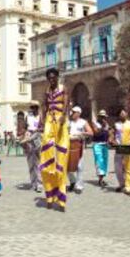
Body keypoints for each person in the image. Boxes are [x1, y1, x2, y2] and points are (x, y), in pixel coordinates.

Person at [39, 68, 70, 211]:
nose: (51, 79)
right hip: (49, 123)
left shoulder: (63, 88)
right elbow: (44, 106)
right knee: (46, 157)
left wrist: (63, 115)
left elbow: (66, 103)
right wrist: (42, 119)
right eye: (49, 78)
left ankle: (61, 199)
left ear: (57, 77)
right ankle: (50, 196)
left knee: (61, 162)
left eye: (53, 77)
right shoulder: (47, 90)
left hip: (60, 122)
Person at [68, 106, 93, 194]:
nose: (72, 113)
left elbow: (90, 132)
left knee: (79, 166)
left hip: (79, 145)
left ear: (78, 113)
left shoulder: (83, 122)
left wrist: (82, 133)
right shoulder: (68, 122)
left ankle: (79, 186)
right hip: (68, 145)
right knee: (68, 167)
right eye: (72, 112)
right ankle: (72, 181)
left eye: (74, 112)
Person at [111, 109, 130, 196]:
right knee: (118, 168)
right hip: (119, 147)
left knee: (128, 168)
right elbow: (112, 134)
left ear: (127, 114)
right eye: (121, 113)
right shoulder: (116, 124)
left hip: (128, 147)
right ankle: (122, 184)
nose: (122, 114)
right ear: (119, 115)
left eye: (124, 113)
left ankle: (128, 188)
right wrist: (112, 140)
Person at [19, 103, 42, 192]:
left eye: (35, 107)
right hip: (29, 137)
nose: (33, 109)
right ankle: (33, 183)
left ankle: (39, 183)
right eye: (32, 107)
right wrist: (23, 135)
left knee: (38, 162)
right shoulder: (28, 117)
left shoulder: (40, 116)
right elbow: (24, 127)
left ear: (37, 108)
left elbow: (43, 127)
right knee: (30, 162)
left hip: (37, 138)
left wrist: (38, 130)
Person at [91, 110, 111, 187]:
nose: (104, 118)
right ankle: (100, 179)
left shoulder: (107, 124)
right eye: (102, 117)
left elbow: (109, 133)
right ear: (98, 117)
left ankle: (102, 178)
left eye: (105, 117)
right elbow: (96, 133)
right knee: (99, 161)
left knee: (105, 161)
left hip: (105, 144)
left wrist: (110, 139)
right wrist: (103, 127)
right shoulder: (94, 123)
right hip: (97, 144)